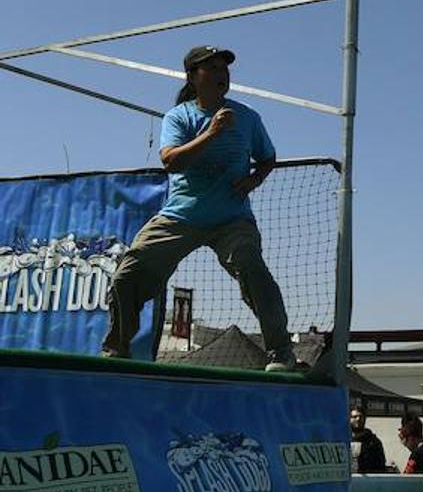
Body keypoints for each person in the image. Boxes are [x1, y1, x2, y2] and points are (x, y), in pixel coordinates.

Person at [100, 46, 295, 370]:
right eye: (213, 68)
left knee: (252, 268)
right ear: (193, 77)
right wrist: (212, 132)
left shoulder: (247, 117)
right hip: (182, 216)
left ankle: (281, 352)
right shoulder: (179, 117)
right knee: (128, 274)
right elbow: (171, 161)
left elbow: (267, 157)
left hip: (232, 219)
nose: (222, 74)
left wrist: (255, 179)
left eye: (225, 69)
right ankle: (116, 350)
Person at [350, 408, 388, 474]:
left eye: (361, 417)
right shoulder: (343, 440)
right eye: (355, 417)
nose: (358, 419)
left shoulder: (374, 442)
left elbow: (381, 466)